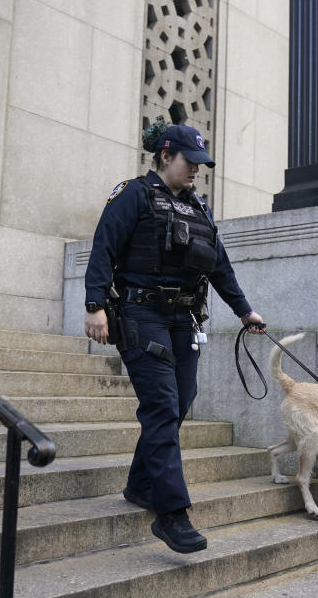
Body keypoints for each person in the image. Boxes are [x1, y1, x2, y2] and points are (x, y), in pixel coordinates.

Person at [83, 119, 265, 554]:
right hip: (141, 314)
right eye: (191, 161)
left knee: (180, 401)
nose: (197, 170)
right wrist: (94, 305)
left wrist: (244, 310)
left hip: (184, 320)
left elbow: (220, 266)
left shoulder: (199, 209)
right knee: (162, 406)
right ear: (165, 156)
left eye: (202, 163)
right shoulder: (132, 194)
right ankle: (172, 515)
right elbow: (103, 246)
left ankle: (141, 485)